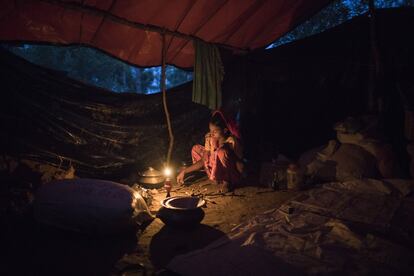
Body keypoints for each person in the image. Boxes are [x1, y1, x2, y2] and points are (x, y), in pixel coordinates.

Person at [176, 110, 243, 192]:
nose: (212, 133)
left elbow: (240, 163)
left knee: (220, 152)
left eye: (215, 131)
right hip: (215, 171)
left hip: (232, 173)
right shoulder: (212, 140)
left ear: (225, 130)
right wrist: (184, 171)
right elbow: (204, 160)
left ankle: (227, 182)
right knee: (196, 149)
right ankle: (213, 178)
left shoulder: (230, 141)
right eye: (210, 131)